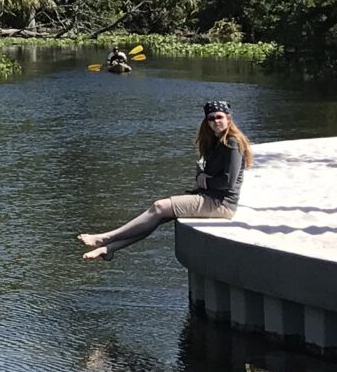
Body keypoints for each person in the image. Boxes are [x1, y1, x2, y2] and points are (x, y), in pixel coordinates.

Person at [78, 101, 251, 259]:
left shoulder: (232, 143)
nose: (215, 121)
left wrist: (204, 181)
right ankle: (110, 249)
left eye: (219, 117)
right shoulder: (216, 142)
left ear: (228, 118)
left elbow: (228, 182)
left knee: (159, 207)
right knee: (157, 217)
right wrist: (201, 175)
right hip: (210, 197)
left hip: (222, 204)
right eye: (211, 118)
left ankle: (106, 237)